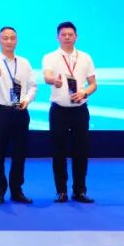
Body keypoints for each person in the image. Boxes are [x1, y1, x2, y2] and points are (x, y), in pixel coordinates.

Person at [41, 21, 98, 203]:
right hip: (59, 111)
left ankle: (79, 191)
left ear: (76, 37)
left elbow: (93, 84)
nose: (67, 37)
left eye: (70, 34)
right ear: (57, 37)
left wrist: (84, 92)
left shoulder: (85, 58)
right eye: (63, 34)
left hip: (80, 111)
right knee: (58, 152)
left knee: (81, 152)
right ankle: (61, 191)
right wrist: (54, 81)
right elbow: (47, 76)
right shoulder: (50, 57)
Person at [0, 26, 37, 204]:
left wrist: (27, 100)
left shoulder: (25, 62)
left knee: (19, 154)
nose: (9, 41)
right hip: (1, 112)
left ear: (17, 41)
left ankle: (17, 190)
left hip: (21, 112)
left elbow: (33, 86)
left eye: (12, 38)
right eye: (5, 38)